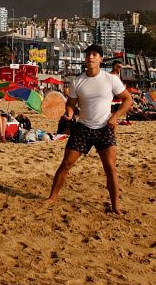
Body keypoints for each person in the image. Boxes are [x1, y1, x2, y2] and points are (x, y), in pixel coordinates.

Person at [45, 45, 133, 213]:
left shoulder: (111, 79)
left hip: (104, 128)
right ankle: (52, 197)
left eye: (94, 54)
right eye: (88, 55)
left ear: (101, 59)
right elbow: (71, 104)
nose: (90, 57)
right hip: (83, 128)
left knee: (110, 168)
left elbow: (128, 100)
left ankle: (116, 206)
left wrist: (115, 117)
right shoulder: (77, 81)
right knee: (66, 164)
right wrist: (69, 113)